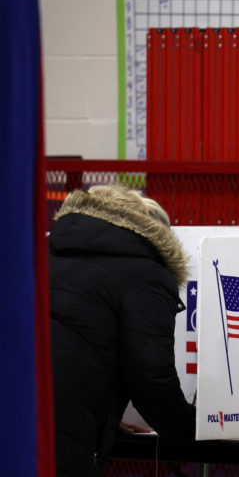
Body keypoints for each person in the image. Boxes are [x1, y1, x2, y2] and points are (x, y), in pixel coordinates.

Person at [49, 184, 195, 476]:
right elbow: (151, 379)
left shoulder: (44, 253)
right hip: (61, 442)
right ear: (157, 237)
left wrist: (104, 418)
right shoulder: (146, 271)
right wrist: (193, 427)